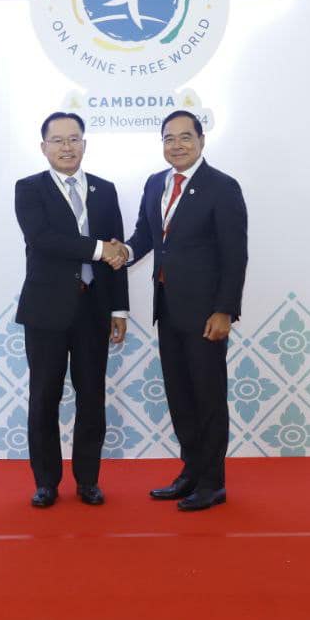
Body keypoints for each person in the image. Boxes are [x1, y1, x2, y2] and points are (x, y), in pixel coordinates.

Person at [114, 110, 247, 511]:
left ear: (201, 141)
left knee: (208, 398)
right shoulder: (155, 183)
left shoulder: (222, 187)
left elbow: (235, 255)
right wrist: (123, 252)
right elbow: (146, 235)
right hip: (168, 309)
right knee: (181, 397)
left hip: (206, 314)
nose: (177, 145)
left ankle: (212, 482)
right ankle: (191, 472)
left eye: (185, 137)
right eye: (169, 138)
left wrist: (225, 310)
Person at [14, 112, 129, 508]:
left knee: (92, 396)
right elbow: (43, 239)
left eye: (74, 139)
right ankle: (46, 482)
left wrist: (119, 309)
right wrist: (100, 249)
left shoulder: (105, 190)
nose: (67, 147)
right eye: (58, 140)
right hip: (46, 310)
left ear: (84, 144)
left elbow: (118, 251)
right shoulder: (29, 189)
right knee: (44, 396)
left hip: (93, 310)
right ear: (43, 146)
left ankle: (88, 481)